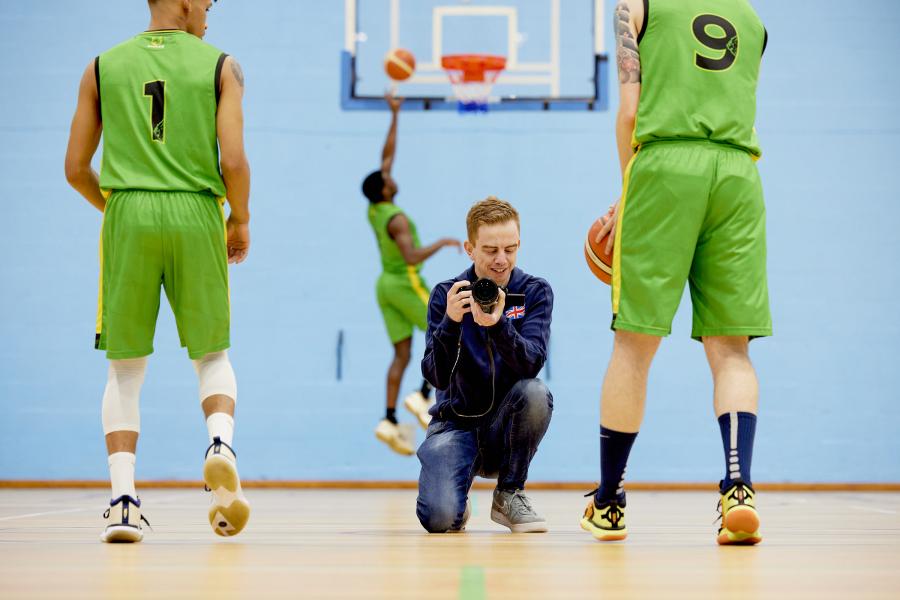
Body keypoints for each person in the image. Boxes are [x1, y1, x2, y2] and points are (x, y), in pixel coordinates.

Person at [580, 0, 770, 545]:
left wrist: (627, 195)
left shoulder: (636, 6)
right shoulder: (752, 19)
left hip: (665, 165)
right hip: (738, 175)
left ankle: (610, 501)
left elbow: (629, 113)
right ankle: (738, 488)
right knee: (732, 351)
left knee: (634, 344)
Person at [64, 0, 251, 542]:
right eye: (209, 3)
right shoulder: (222, 65)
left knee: (125, 367)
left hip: (128, 209)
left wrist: (122, 213)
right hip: (197, 212)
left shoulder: (101, 65)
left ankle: (123, 502)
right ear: (187, 1)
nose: (211, 13)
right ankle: (220, 444)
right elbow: (234, 161)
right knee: (212, 352)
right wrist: (239, 220)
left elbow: (76, 167)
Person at [417, 197, 553, 533]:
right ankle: (456, 500)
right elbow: (435, 375)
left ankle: (509, 493)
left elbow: (531, 364)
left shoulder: (534, 292)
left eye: (510, 248)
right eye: (490, 250)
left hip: (503, 430)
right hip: (454, 427)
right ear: (469, 248)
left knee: (535, 393)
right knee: (438, 520)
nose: (501, 260)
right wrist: (450, 322)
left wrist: (498, 325)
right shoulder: (446, 295)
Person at [363, 96, 461, 455]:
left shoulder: (375, 208)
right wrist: (442, 242)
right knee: (446, 328)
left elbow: (385, 158)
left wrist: (394, 113)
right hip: (405, 280)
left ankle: (388, 419)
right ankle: (421, 396)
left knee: (401, 354)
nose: (392, 176)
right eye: (388, 179)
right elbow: (411, 255)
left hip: (383, 286)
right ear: (384, 189)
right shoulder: (397, 218)